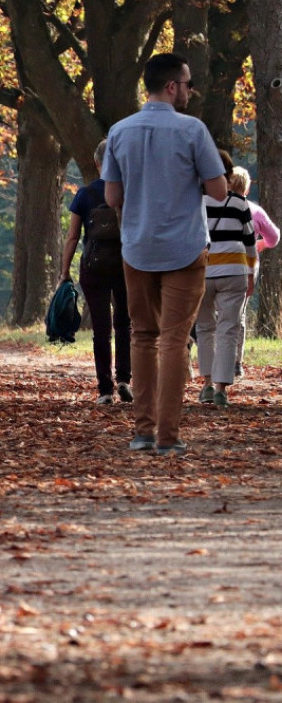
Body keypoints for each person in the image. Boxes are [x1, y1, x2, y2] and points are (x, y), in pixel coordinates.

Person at [102, 52, 228, 455]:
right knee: (174, 339)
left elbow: (112, 196)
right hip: (185, 247)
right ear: (172, 86)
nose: (191, 90)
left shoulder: (119, 132)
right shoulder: (193, 131)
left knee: (142, 335)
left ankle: (142, 431)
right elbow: (220, 190)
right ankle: (168, 437)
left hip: (137, 247)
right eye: (188, 83)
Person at [59, 139, 132, 405]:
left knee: (102, 327)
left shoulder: (85, 194)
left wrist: (64, 272)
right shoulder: (129, 192)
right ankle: (124, 378)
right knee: (125, 323)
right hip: (125, 264)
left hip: (94, 265)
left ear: (97, 163)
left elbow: (72, 237)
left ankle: (104, 389)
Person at [194, 169, 255, 408]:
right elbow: (250, 241)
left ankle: (207, 385)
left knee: (204, 328)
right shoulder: (240, 203)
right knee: (228, 330)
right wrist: (250, 271)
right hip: (234, 271)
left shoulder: (198, 201)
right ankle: (221, 390)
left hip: (203, 272)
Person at [233, 166, 279, 376]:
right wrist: (262, 244)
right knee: (239, 313)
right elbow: (275, 237)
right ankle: (236, 362)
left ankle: (217, 359)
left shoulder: (215, 207)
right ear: (247, 187)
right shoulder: (255, 211)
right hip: (247, 264)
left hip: (216, 264)